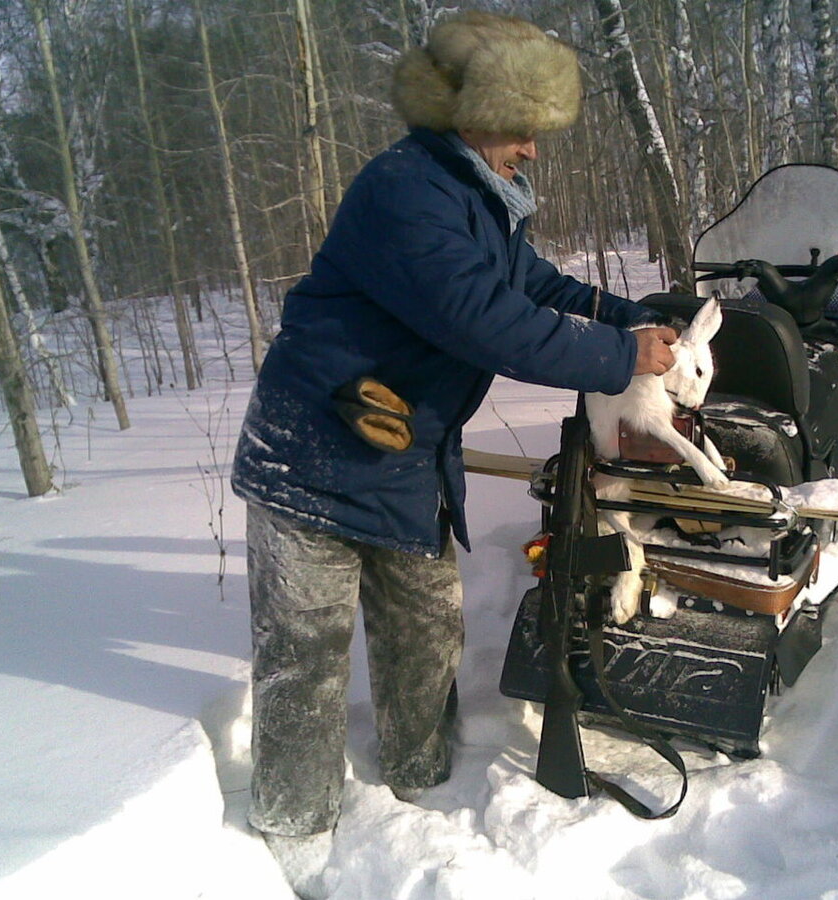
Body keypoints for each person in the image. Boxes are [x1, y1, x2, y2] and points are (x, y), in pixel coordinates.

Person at [230, 11, 678, 897]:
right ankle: (295, 839)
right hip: (311, 458)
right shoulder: (405, 191)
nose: (533, 150)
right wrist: (622, 357)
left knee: (426, 632)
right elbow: (488, 320)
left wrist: (621, 311)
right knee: (307, 655)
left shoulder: (475, 193)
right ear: (467, 113)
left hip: (401, 460)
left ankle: (422, 785)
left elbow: (531, 285)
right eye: (522, 130)